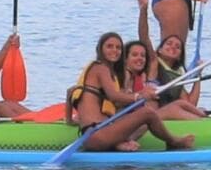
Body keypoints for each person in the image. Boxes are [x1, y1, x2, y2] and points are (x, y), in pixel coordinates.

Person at [65, 31, 196, 153]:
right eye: (109, 46)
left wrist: (69, 120)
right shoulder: (101, 67)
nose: (114, 50)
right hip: (98, 134)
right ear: (100, 49)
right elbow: (113, 96)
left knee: (144, 120)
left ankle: (120, 142)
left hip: (93, 134)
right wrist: (139, 96)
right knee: (148, 113)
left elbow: (71, 91)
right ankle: (174, 141)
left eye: (118, 48)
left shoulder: (98, 70)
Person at [138, 0, 207, 119]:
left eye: (177, 47)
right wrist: (143, 10)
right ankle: (203, 126)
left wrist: (198, 75)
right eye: (169, 44)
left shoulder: (178, 74)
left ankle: (202, 121)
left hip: (165, 116)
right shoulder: (154, 62)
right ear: (160, 50)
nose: (173, 47)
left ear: (180, 55)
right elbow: (144, 37)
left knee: (189, 106)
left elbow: (190, 103)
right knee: (178, 108)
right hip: (151, 117)